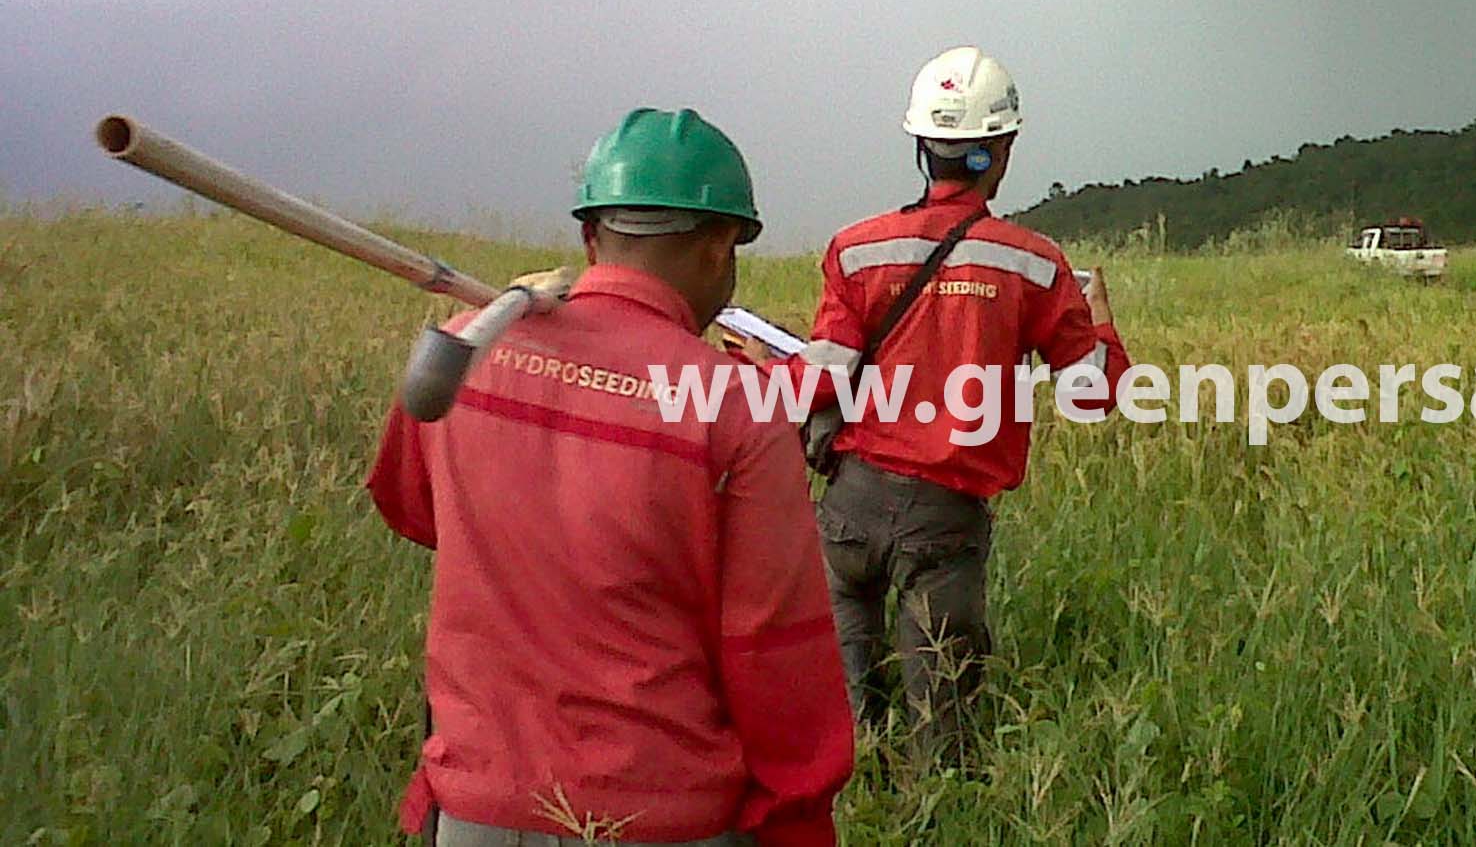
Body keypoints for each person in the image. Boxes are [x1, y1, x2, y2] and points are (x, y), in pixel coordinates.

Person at [365, 108, 853, 846]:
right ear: (720, 244)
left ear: (591, 236)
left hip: (474, 812)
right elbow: (776, 654)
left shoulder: (466, 351)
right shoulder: (737, 407)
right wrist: (798, 822)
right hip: (661, 816)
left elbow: (410, 508)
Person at [754, 46, 1127, 764]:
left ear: (923, 147)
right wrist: (1102, 324)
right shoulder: (1035, 264)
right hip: (945, 519)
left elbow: (820, 378)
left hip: (851, 506)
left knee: (842, 706)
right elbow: (1092, 392)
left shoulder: (855, 249)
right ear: (1001, 152)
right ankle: (934, 805)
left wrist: (757, 372)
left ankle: (853, 790)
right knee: (943, 719)